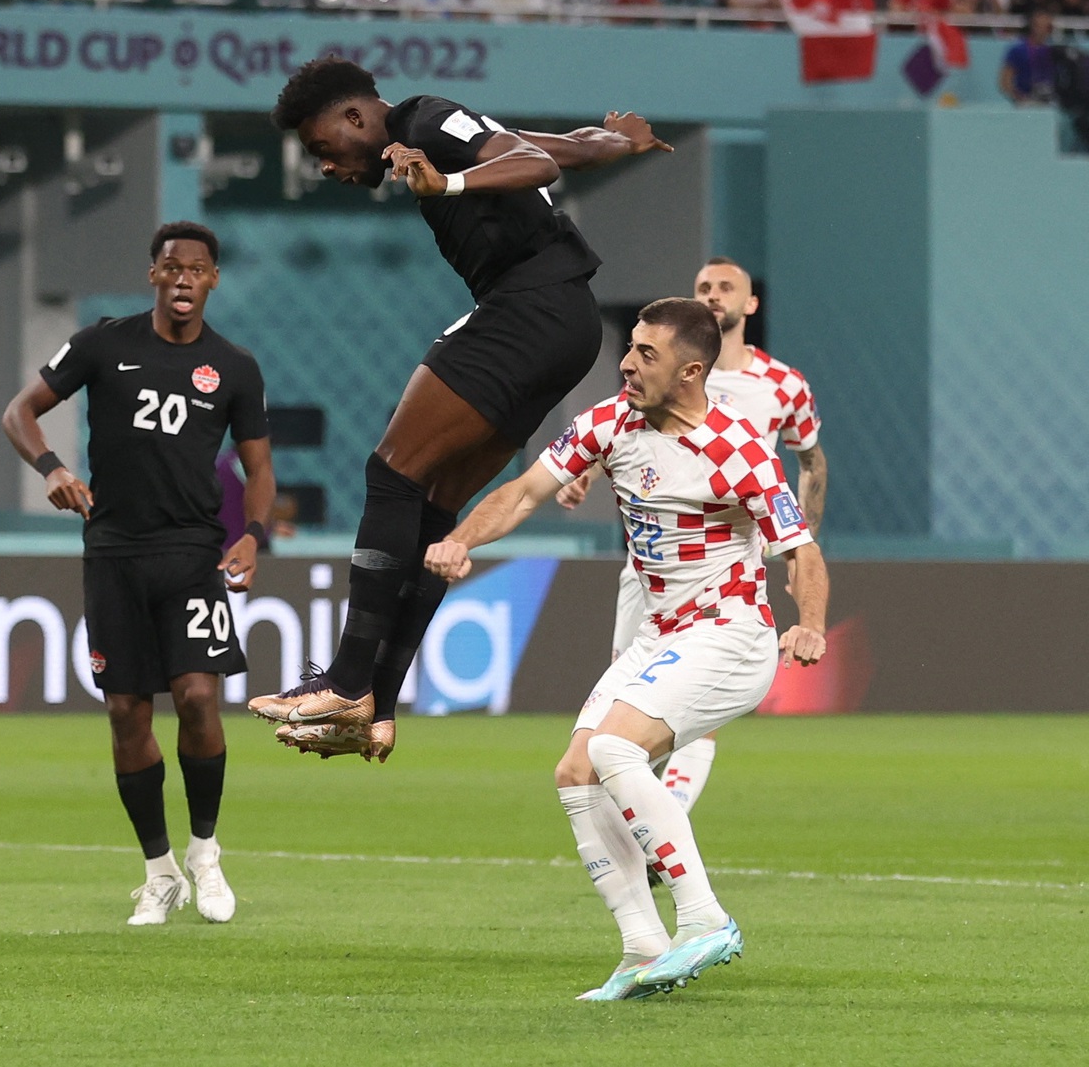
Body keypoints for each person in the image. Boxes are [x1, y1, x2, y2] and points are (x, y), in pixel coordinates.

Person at [252, 57, 670, 762]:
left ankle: (349, 680)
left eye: (322, 146)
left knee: (391, 472)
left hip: (529, 308)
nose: (323, 165)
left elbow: (533, 165)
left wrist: (447, 182)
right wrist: (614, 141)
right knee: (432, 502)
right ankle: (377, 705)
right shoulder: (444, 131)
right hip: (564, 326)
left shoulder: (422, 118)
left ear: (356, 117)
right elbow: (553, 149)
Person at [424, 298, 828, 1000]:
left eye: (647, 353)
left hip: (731, 632)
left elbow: (800, 552)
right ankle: (642, 945)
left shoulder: (741, 450)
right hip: (661, 632)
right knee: (577, 770)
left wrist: (811, 622)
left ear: (690, 371)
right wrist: (463, 538)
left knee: (616, 748)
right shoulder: (608, 423)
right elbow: (523, 493)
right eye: (631, 347)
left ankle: (704, 917)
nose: (627, 361)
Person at [2, 220, 274, 926]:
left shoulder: (235, 366)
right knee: (126, 711)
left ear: (213, 279)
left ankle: (206, 853)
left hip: (190, 554)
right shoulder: (102, 343)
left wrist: (255, 534)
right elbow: (19, 412)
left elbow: (261, 465)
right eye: (171, 266)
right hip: (114, 551)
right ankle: (159, 873)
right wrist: (52, 467)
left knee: (196, 698)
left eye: (197, 268)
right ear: (152, 275)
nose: (183, 277)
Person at [556, 258, 826, 811]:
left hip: (727, 555)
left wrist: (798, 540)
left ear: (751, 304)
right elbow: (623, 437)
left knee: (696, 693)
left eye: (726, 287)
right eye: (703, 286)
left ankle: (665, 819)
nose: (712, 294)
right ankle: (641, 814)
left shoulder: (784, 385)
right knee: (631, 697)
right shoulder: (665, 369)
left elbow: (812, 463)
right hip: (651, 564)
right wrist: (580, 474)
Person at [1001, 8, 1058, 105]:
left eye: (1047, 27)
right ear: (1032, 26)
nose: (1043, 30)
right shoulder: (1018, 50)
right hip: (1027, 101)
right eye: (1040, 26)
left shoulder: (1054, 51)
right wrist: (1019, 98)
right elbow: (1005, 80)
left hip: (1049, 100)